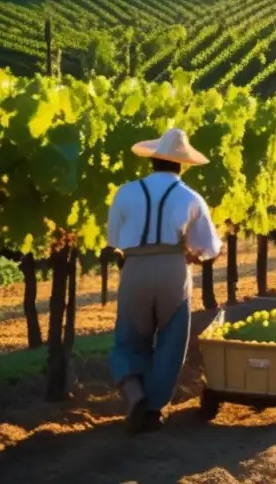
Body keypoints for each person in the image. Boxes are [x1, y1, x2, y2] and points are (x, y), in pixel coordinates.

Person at [107, 128, 221, 435]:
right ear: (182, 164)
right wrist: (195, 254)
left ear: (153, 160)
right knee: (171, 340)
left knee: (129, 338)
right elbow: (209, 247)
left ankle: (134, 393)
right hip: (173, 269)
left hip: (135, 267)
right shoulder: (191, 197)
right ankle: (155, 410)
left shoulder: (126, 192)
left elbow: (113, 238)